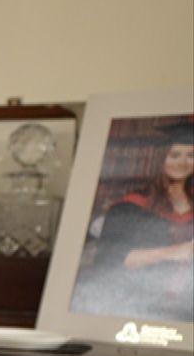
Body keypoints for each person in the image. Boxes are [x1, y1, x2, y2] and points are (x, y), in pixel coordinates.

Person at [78, 118, 194, 321]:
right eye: (174, 155)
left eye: (191, 155)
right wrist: (175, 252)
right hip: (146, 306)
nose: (183, 162)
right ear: (161, 159)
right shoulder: (132, 205)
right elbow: (111, 260)